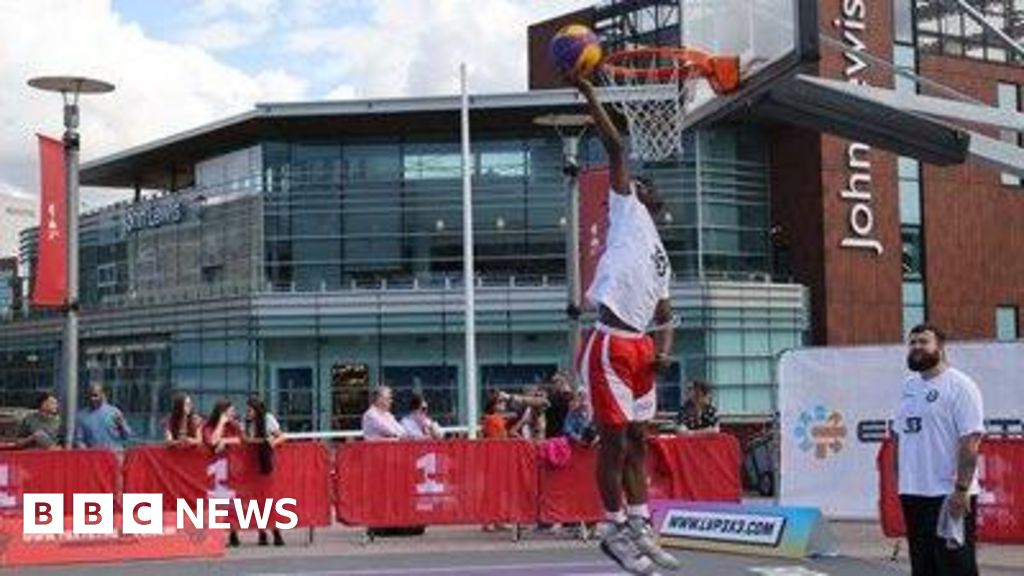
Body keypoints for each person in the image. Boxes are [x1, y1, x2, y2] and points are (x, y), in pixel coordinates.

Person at [570, 73, 679, 575]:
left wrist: (666, 348)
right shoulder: (626, 208)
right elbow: (615, 144)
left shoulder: (661, 258)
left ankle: (640, 525)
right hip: (610, 341)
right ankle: (613, 528)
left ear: (664, 207)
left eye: (650, 185)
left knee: (639, 441)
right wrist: (588, 90)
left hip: (641, 349)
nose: (643, 182)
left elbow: (665, 313)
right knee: (613, 442)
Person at [893, 324, 984, 576]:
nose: (917, 347)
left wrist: (961, 490)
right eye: (912, 343)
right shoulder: (909, 386)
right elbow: (899, 434)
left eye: (924, 342)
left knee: (955, 566)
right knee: (923, 566)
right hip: (914, 492)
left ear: (940, 348)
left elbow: (970, 441)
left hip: (947, 493)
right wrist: (899, 481)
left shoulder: (960, 385)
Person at [245, 395, 286, 547]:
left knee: (269, 499)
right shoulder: (248, 423)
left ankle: (276, 531)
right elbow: (247, 439)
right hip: (251, 464)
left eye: (250, 409)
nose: (248, 412)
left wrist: (270, 443)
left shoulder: (268, 419)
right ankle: (261, 532)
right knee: (256, 500)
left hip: (265, 462)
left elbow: (281, 436)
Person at [203, 398, 244, 548]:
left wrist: (225, 441)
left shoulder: (234, 426)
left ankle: (234, 532)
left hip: (232, 470)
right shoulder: (209, 426)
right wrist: (221, 423)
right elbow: (212, 441)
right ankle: (216, 534)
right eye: (230, 411)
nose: (233, 414)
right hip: (214, 471)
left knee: (233, 502)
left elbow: (242, 440)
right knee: (216, 503)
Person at [75, 384, 132, 450]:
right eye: (89, 396)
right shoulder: (81, 416)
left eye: (95, 395)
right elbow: (79, 440)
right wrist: (88, 454)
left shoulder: (114, 412)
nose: (92, 399)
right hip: (95, 457)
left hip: (114, 455)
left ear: (102, 395)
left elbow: (127, 436)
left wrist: (121, 426)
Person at [545, 372, 574, 439]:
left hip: (564, 430)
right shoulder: (550, 395)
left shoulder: (567, 395)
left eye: (558, 381)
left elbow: (571, 401)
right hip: (551, 430)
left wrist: (566, 390)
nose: (556, 384)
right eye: (554, 382)